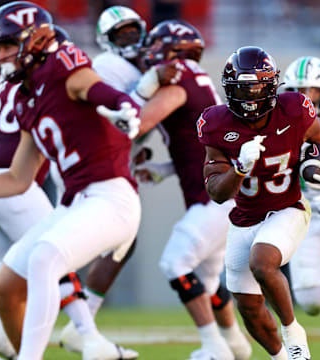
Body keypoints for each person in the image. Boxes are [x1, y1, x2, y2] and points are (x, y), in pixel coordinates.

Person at [0, 2, 141, 360]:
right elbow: (18, 178)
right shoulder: (25, 97)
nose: (1, 55)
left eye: (6, 45)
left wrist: (121, 103)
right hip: (74, 204)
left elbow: (89, 85)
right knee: (5, 289)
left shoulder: (61, 64)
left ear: (34, 40)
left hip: (111, 196)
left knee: (44, 259)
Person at [198, 45, 320, 360]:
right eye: (242, 89)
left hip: (289, 208)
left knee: (262, 262)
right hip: (245, 217)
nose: (250, 97)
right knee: (247, 304)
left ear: (272, 86)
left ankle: (293, 335)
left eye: (257, 87)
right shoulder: (216, 123)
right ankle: (281, 358)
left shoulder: (294, 110)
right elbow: (217, 193)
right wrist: (240, 169)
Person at [58, 5, 182, 353]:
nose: (129, 38)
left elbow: (131, 125)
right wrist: (147, 89)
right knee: (66, 247)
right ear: (106, 41)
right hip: (90, 162)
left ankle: (80, 325)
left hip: (107, 159)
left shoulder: (129, 65)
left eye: (132, 31)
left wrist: (134, 151)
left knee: (121, 243)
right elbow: (113, 117)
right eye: (120, 34)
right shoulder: (109, 67)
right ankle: (65, 323)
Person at [130, 20, 251, 360]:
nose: (151, 54)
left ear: (174, 52)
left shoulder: (179, 81)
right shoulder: (198, 80)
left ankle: (214, 346)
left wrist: (135, 97)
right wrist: (164, 169)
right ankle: (236, 346)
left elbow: (136, 124)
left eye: (157, 47)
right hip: (222, 194)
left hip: (215, 198)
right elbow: (196, 150)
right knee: (208, 283)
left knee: (174, 263)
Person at [283, 56, 320, 315]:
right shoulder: (280, 122)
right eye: (298, 91)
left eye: (312, 90)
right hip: (306, 213)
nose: (305, 97)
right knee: (313, 302)